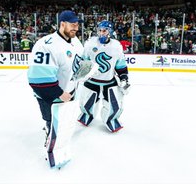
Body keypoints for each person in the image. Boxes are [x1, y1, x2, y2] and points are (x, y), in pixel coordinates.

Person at [27, 10, 83, 167]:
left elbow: (78, 63)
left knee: (64, 126)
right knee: (53, 126)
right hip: (50, 95)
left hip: (68, 94)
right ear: (62, 24)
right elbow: (38, 79)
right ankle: (51, 152)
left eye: (77, 25)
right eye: (73, 25)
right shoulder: (46, 44)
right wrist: (59, 93)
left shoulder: (76, 41)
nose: (76, 28)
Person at [78, 20, 129, 133]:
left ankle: (111, 120)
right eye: (100, 30)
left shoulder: (116, 46)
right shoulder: (90, 43)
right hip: (92, 81)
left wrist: (124, 78)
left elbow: (120, 64)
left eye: (104, 30)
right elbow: (84, 61)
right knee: (86, 103)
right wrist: (81, 74)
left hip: (109, 81)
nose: (101, 33)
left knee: (114, 106)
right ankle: (87, 116)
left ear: (110, 31)